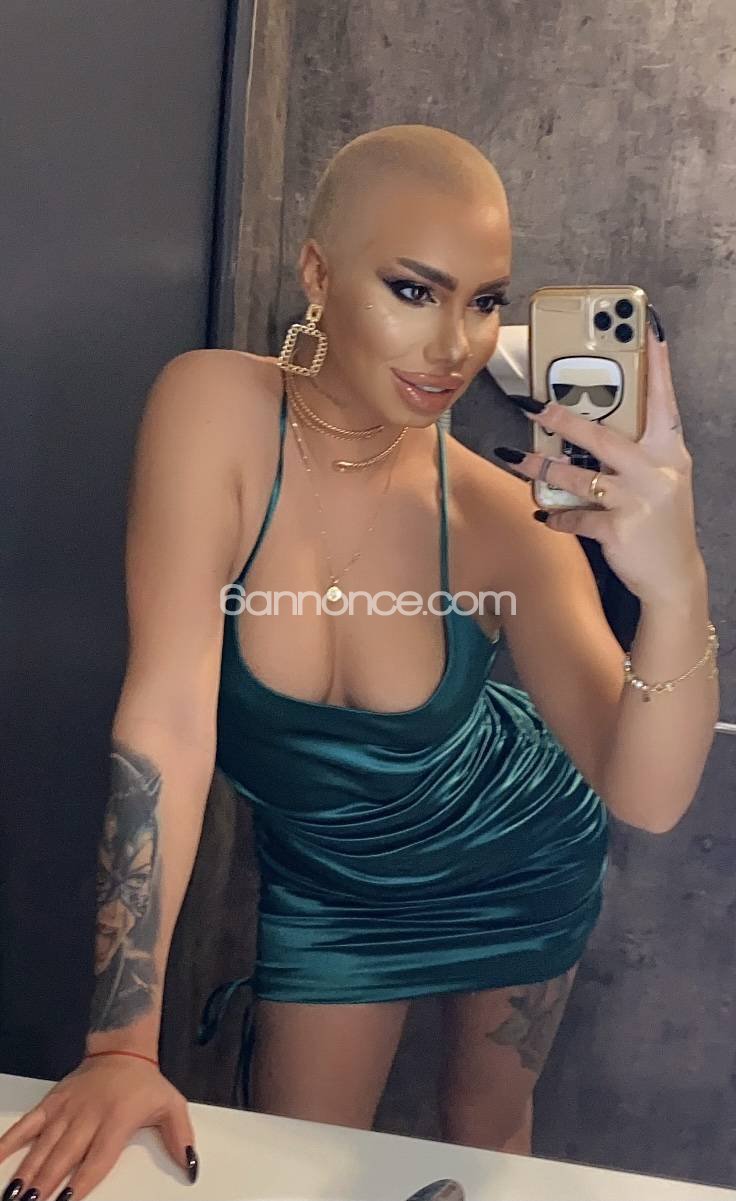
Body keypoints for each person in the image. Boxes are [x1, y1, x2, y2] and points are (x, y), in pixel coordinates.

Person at [0, 124, 719, 1201]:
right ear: (317, 272)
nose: (454, 346)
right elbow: (168, 720)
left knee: (483, 1137)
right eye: (414, 290)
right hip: (333, 889)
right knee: (296, 1165)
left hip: (519, 851)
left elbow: (647, 796)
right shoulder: (214, 411)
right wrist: (121, 1048)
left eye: (484, 301)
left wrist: (677, 585)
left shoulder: (502, 519)